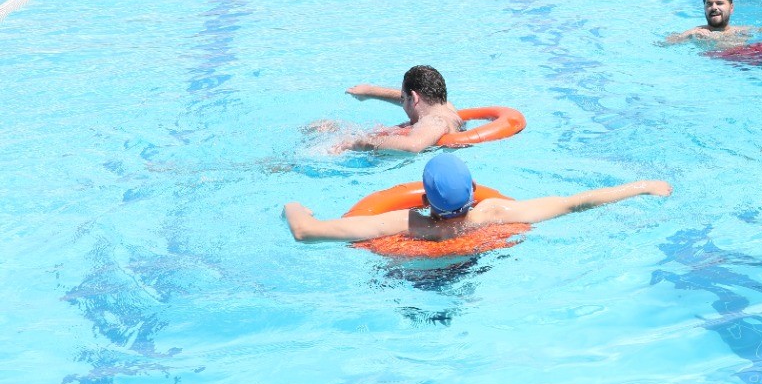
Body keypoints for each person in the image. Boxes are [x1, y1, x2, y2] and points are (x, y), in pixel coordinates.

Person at [284, 153, 671, 243]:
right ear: (472, 191)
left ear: (424, 198)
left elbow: (305, 232)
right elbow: (575, 202)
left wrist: (293, 206)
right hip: (475, 265)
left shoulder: (403, 223)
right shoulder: (494, 213)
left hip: (412, 274)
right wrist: (640, 186)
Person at [339, 65, 463, 152]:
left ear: (414, 98)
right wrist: (370, 92)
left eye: (403, 99)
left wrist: (360, 144)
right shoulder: (447, 107)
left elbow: (413, 145)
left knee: (338, 130)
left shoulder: (434, 121)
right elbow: (417, 97)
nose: (402, 103)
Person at [666, 0, 746, 43]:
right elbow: (666, 43)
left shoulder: (741, 32)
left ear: (731, 8)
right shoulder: (696, 32)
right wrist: (689, 35)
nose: (714, 7)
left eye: (719, 3)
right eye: (709, 4)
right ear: (704, 8)